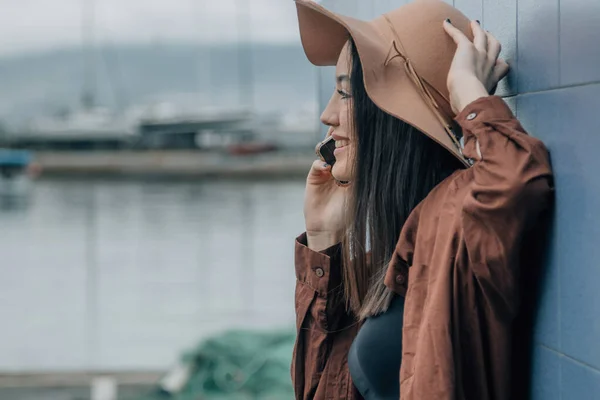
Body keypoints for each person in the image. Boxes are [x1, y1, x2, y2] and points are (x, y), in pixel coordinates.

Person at [291, 0, 554, 399]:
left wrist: (466, 92)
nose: (328, 115)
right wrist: (325, 238)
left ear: (396, 114)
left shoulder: (461, 218)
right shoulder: (396, 250)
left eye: (345, 94)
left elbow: (516, 183)